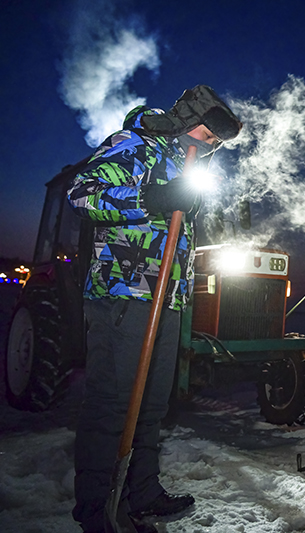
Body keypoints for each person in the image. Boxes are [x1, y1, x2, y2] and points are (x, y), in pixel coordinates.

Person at [67, 85, 242, 533]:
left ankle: (142, 491)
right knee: (113, 402)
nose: (211, 145)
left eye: (217, 141)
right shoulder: (135, 145)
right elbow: (83, 194)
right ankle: (96, 507)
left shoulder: (188, 165)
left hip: (167, 298)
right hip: (124, 293)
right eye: (208, 134)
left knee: (151, 404)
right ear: (186, 122)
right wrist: (150, 199)